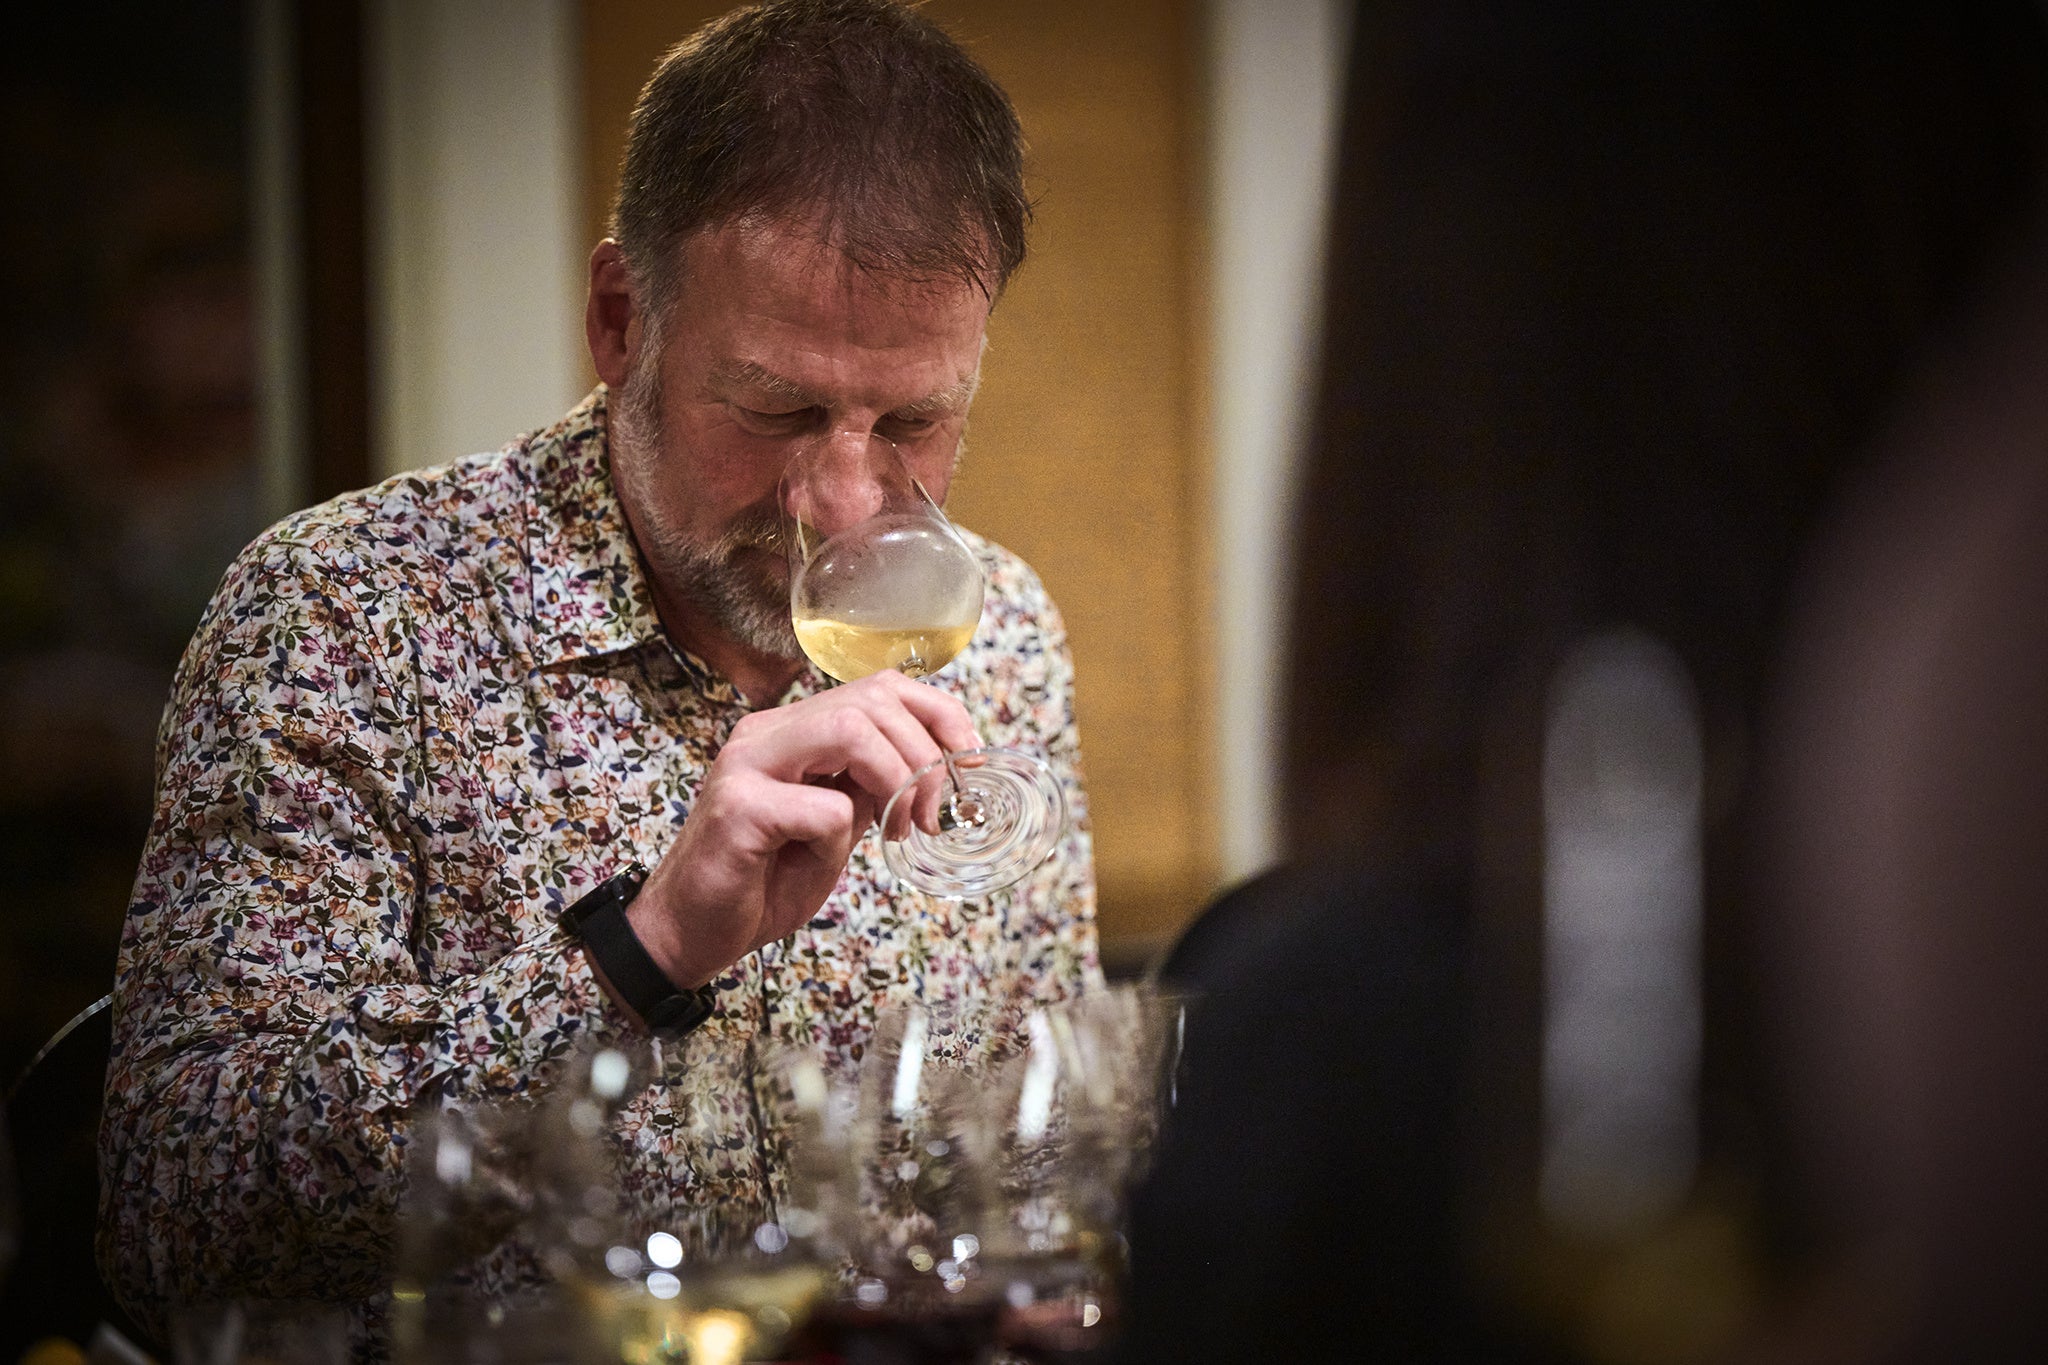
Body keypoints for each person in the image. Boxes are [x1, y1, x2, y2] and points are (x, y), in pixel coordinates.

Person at [96, 0, 1098, 1346]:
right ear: (622, 318)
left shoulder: (1006, 630)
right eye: (780, 409)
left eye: (915, 420)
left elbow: (1042, 1156)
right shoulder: (343, 614)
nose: (845, 500)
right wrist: (643, 949)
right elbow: (175, 1214)